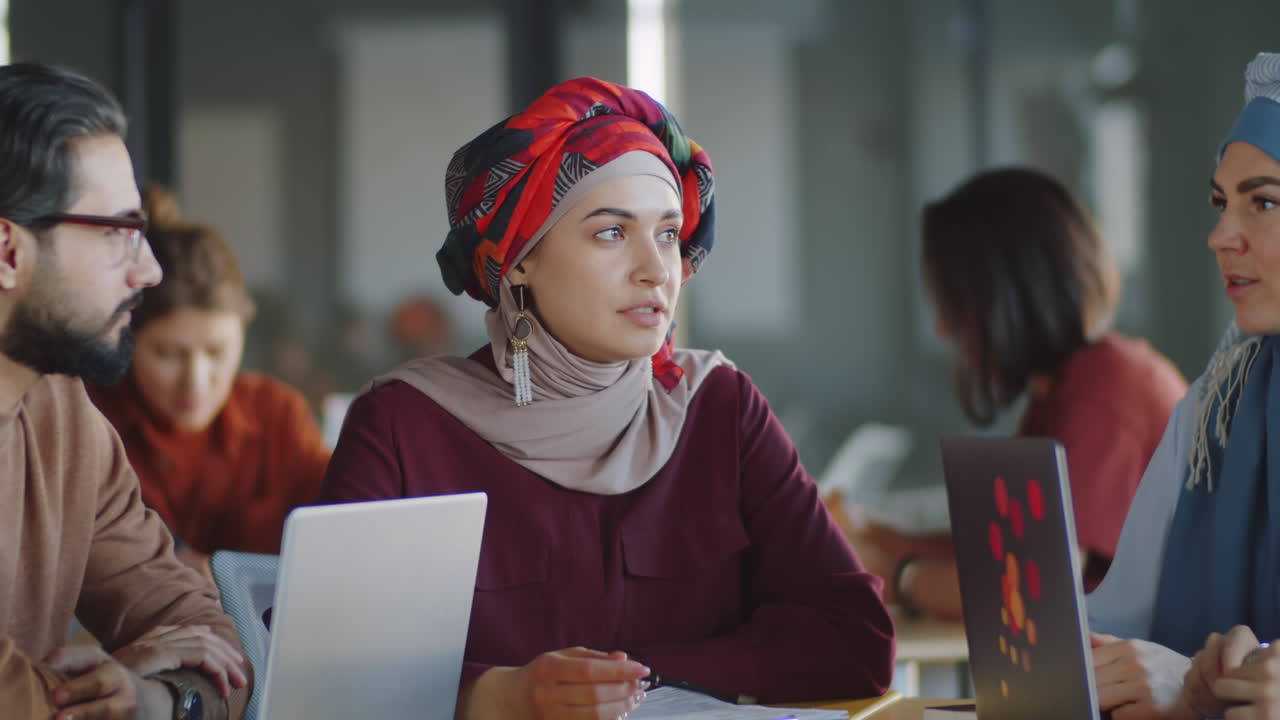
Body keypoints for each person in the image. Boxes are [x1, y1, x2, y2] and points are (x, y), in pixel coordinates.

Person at [320, 76, 895, 719]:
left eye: (669, 234)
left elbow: (856, 642)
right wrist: (494, 696)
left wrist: (634, 682)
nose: (656, 269)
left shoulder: (718, 406)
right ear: (518, 260)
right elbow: (327, 681)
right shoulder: (402, 425)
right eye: (611, 233)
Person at [0, 63, 249, 718]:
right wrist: (105, 686)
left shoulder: (63, 412)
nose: (149, 269)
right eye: (115, 232)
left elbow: (202, 629)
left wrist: (156, 700)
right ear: (7, 250)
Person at [841, 167, 1186, 620]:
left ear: (1006, 294)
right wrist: (870, 533)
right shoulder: (1072, 386)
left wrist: (889, 575)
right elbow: (1000, 546)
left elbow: (1026, 584)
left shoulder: (1105, 395)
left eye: (953, 302)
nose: (944, 328)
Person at [1083, 51, 1280, 720]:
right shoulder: (1212, 414)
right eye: (1221, 203)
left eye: (1263, 203)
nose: (1221, 236)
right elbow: (1109, 629)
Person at [88, 195, 331, 573]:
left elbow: (338, 528)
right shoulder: (89, 420)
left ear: (243, 336)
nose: (196, 382)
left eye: (217, 352)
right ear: (126, 340)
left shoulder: (277, 413)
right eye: (169, 354)